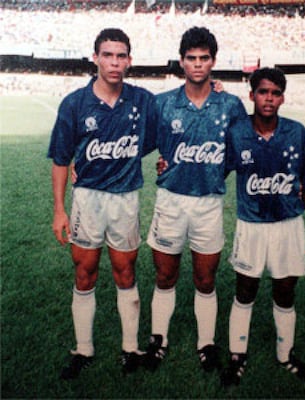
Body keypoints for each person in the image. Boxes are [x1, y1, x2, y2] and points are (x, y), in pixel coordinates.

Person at [48, 28, 157, 379]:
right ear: (95, 57)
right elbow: (61, 159)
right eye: (107, 55)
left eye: (121, 55)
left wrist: (212, 87)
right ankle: (84, 348)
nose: (114, 62)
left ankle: (130, 348)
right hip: (87, 200)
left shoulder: (142, 100)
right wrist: (60, 210)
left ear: (129, 60)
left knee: (125, 273)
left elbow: (166, 127)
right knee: (85, 273)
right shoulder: (75, 104)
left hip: (125, 199)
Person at [144, 26, 248, 372]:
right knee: (165, 276)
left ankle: (206, 343)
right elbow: (135, 143)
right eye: (192, 58)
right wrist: (82, 163)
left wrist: (215, 172)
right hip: (170, 201)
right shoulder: (163, 104)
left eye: (204, 58)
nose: (198, 64)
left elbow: (238, 153)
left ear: (214, 62)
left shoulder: (231, 105)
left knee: (206, 279)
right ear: (181, 62)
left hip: (209, 204)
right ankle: (159, 339)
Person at [221, 67, 305, 386]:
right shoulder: (237, 133)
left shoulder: (296, 132)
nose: (269, 98)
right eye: (263, 92)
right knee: (245, 289)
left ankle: (285, 354)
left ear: (282, 98)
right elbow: (215, 171)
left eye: (275, 93)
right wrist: (169, 167)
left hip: (288, 224)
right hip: (251, 224)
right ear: (252, 95)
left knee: (285, 290)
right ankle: (237, 356)